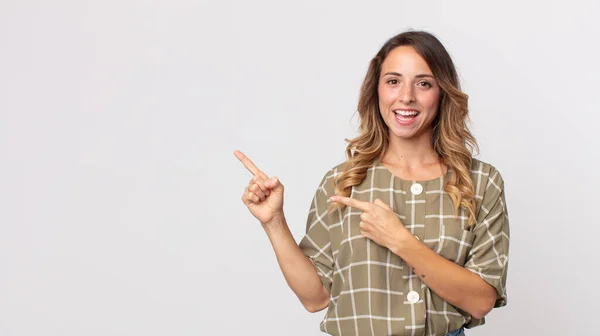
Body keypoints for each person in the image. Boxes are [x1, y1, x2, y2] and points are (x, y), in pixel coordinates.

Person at [234, 30, 509, 336]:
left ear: (442, 92)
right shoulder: (344, 182)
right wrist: (273, 221)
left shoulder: (480, 182)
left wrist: (399, 240)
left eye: (423, 83)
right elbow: (315, 298)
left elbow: (481, 300)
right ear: (376, 90)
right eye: (393, 81)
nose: (406, 96)